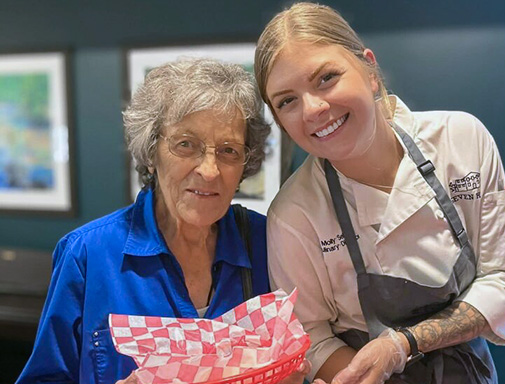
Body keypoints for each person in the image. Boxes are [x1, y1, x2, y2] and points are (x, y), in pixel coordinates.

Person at [254, 3, 505, 384]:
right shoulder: (294, 213)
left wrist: (402, 345)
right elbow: (310, 334)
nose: (313, 109)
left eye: (326, 78)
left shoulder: (461, 140)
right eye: (287, 101)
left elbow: (504, 276)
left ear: (369, 71)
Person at [16, 59, 310, 384]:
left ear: (246, 163)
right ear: (151, 153)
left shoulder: (266, 241)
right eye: (186, 145)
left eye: (228, 150)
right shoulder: (88, 254)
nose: (209, 170)